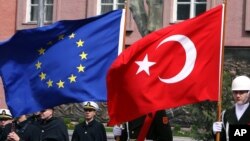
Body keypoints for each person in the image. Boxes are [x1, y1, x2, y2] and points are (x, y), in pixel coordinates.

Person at [212, 75, 250, 141]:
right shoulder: (225, 114)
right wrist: (215, 133)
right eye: (235, 92)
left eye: (241, 92)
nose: (238, 95)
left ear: (249, 93)